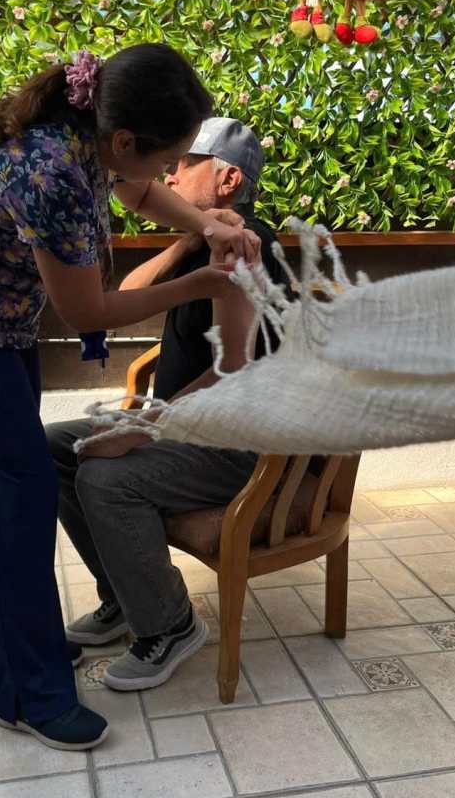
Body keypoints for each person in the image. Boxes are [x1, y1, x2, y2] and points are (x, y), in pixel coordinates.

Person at [0, 46, 259, 751]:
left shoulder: (86, 132)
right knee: (20, 495)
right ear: (125, 141)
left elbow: (139, 192)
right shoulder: (51, 169)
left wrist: (205, 226)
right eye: (167, 158)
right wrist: (201, 280)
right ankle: (30, 695)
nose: (169, 174)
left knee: (5, 486)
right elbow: (87, 312)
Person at [46, 117, 285, 691]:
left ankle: (172, 625)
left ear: (228, 179)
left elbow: (237, 371)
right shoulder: (209, 240)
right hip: (185, 427)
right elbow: (121, 298)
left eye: (183, 164)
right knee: (53, 446)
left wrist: (143, 429)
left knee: (104, 477)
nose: (168, 176)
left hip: (237, 445)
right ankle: (124, 598)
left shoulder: (250, 249)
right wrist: (190, 237)